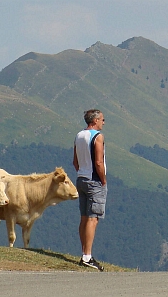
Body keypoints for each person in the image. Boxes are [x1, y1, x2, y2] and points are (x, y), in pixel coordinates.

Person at [72, 109, 107, 271]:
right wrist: (103, 180)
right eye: (102, 120)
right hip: (94, 180)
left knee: (84, 217)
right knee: (93, 218)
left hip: (81, 178)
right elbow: (99, 162)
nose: (103, 122)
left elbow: (75, 161)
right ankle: (87, 256)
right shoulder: (97, 137)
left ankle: (84, 252)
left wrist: (81, 172)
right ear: (95, 121)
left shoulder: (79, 135)